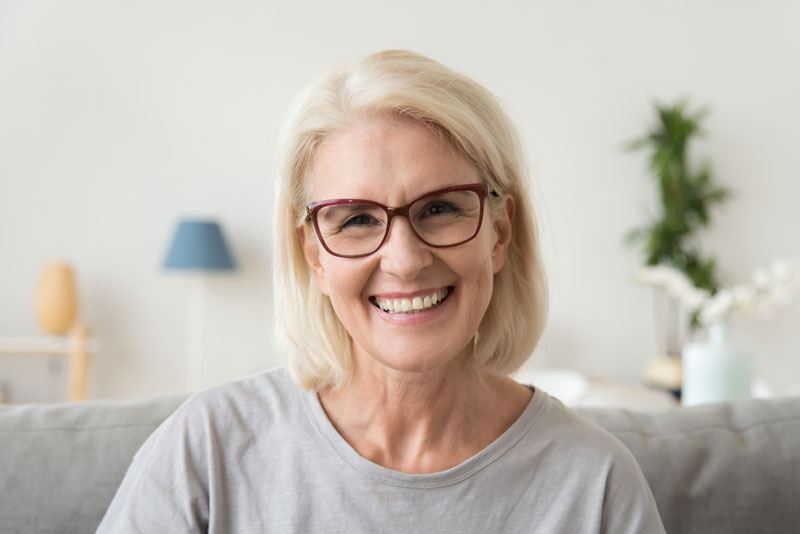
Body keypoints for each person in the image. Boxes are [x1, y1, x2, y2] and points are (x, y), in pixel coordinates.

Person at [97, 50, 665, 533]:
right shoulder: (208, 451)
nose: (405, 260)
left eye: (440, 208)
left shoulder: (595, 485)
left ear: (499, 233)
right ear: (314, 255)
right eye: (357, 219)